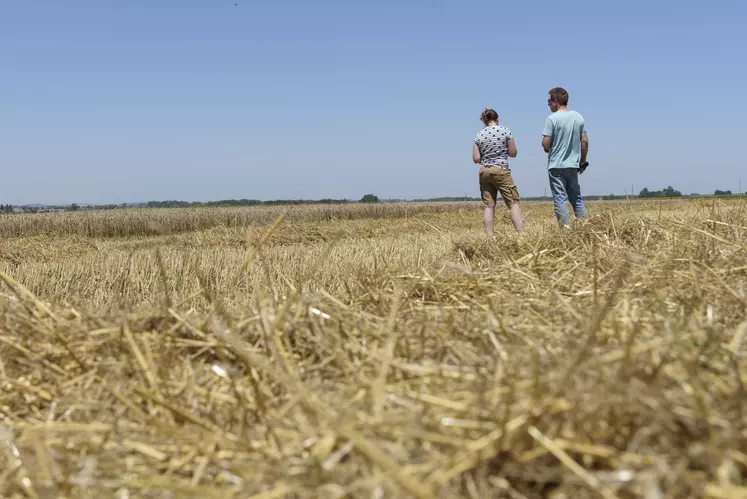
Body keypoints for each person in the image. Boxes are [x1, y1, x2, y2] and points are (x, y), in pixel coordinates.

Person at [542, 87, 589, 227]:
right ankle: (586, 227)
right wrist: (582, 161)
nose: (549, 104)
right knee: (576, 198)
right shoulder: (578, 117)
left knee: (560, 199)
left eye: (549, 101)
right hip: (573, 165)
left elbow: (546, 143)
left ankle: (566, 231)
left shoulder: (552, 119)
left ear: (556, 101)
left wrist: (546, 146)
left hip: (556, 165)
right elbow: (585, 142)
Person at [473, 108, 523, 234]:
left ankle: (489, 237)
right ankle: (521, 234)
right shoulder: (505, 131)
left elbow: (476, 158)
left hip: (484, 171)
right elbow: (513, 153)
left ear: (484, 120)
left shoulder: (479, 135)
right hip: (501, 170)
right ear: (497, 119)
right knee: (513, 203)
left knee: (489, 205)